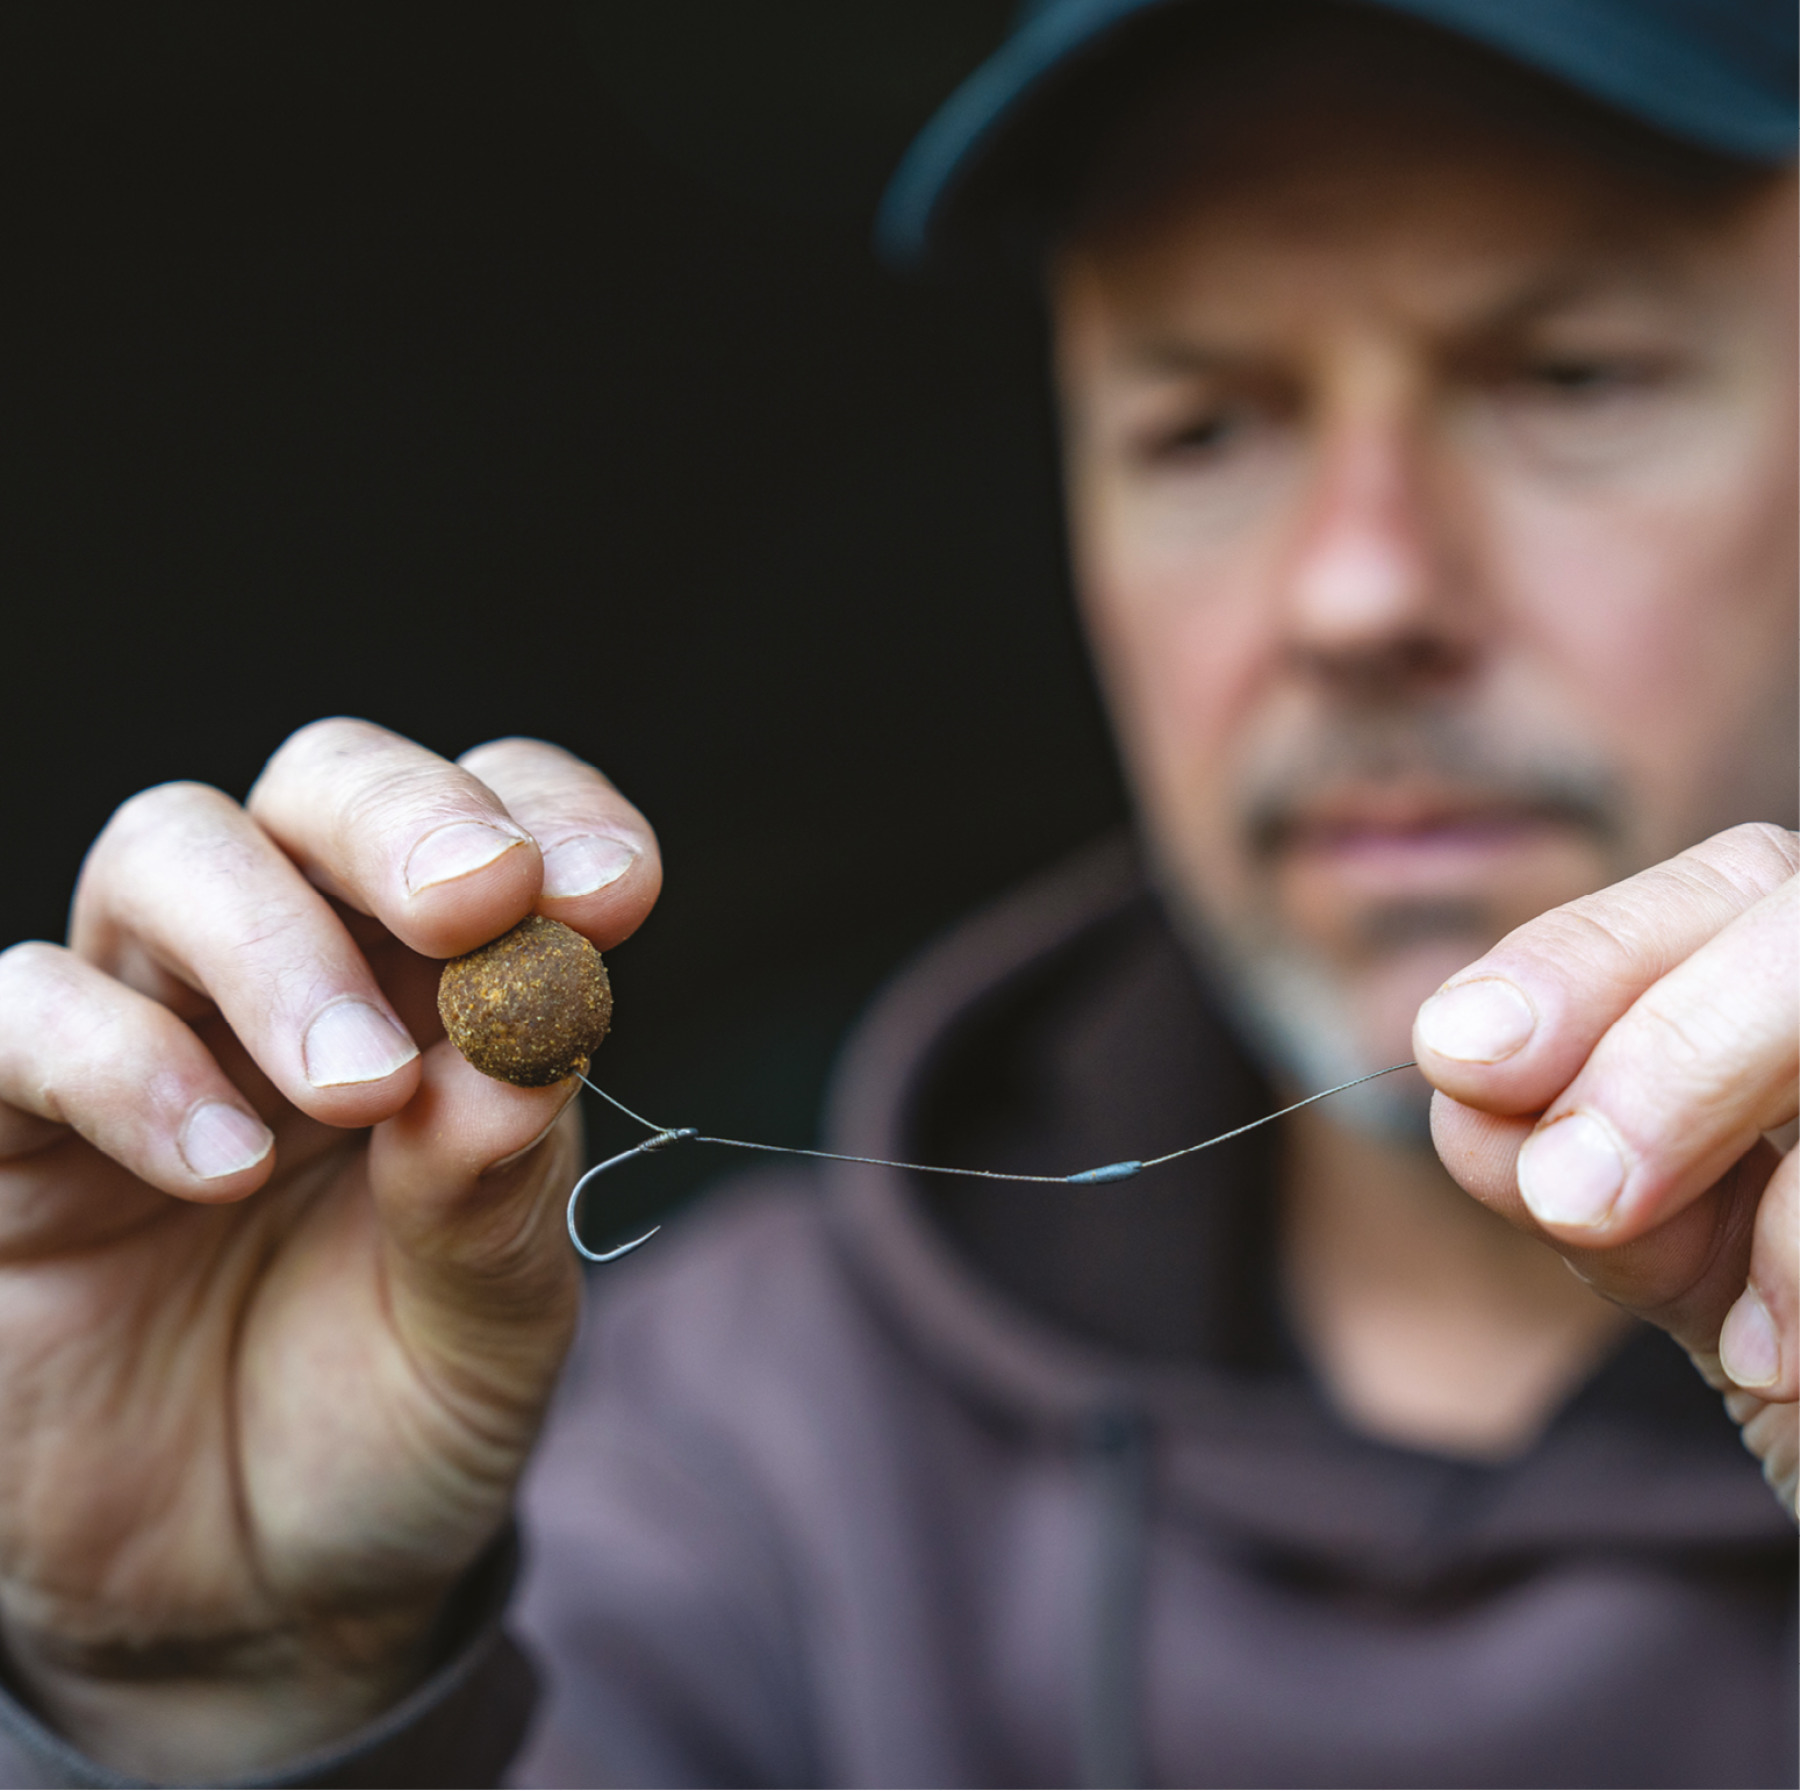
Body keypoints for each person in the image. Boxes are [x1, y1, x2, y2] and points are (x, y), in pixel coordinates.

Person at [0, 1, 1793, 1784]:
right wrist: (213, 1708)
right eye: (1201, 425)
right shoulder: (703, 1458)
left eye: (1572, 376)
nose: (1355, 592)